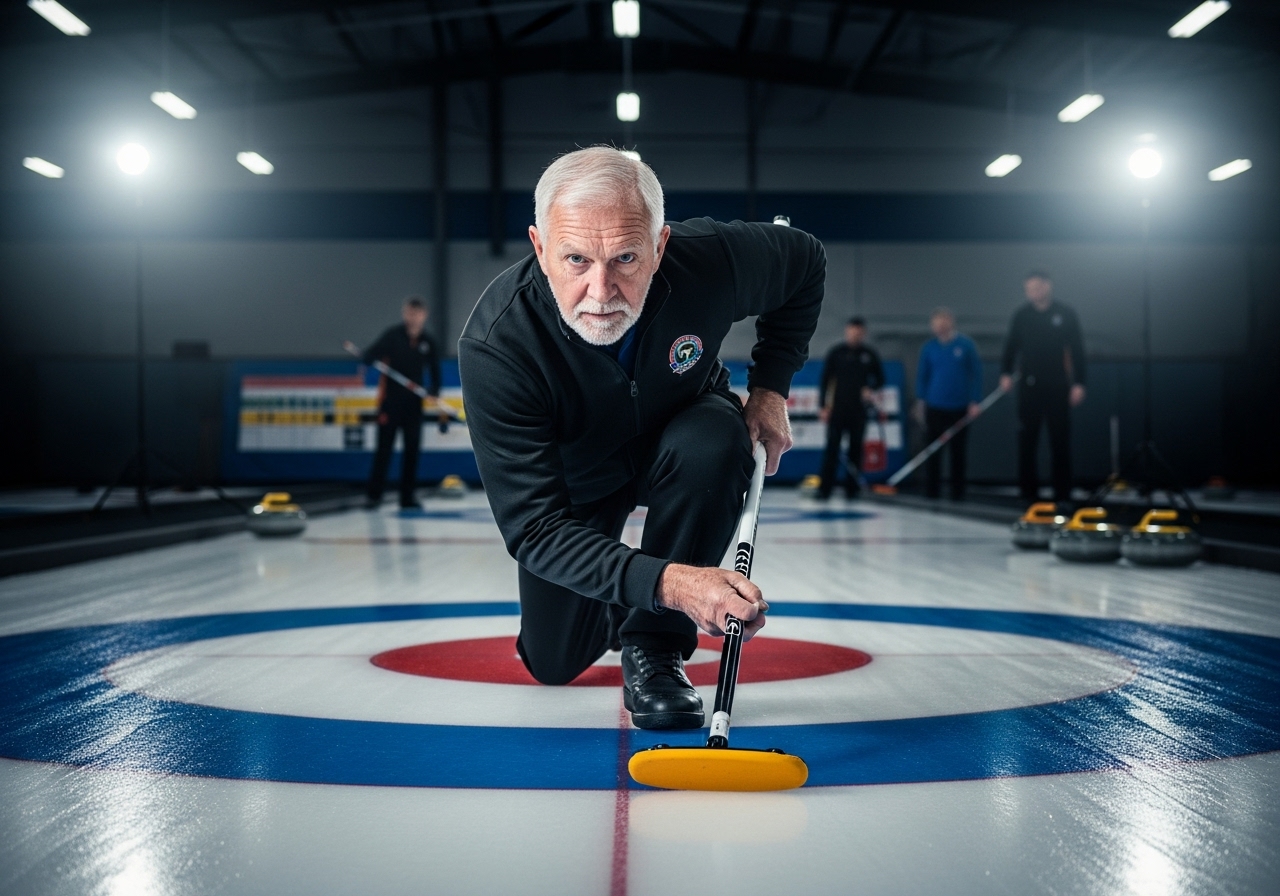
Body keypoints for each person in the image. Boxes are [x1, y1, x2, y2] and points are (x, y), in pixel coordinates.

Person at [458, 147, 824, 730]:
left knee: (715, 441)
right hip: (579, 482)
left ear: (660, 246)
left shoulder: (711, 260)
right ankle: (628, 595)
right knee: (553, 663)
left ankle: (653, 646)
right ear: (540, 248)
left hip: (683, 434)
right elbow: (534, 528)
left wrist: (771, 388)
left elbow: (804, 262)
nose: (601, 291)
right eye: (576, 259)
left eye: (626, 258)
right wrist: (672, 582)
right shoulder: (498, 345)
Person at [999, 272, 1087, 503]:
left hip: (1058, 386)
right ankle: (1028, 493)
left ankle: (1062, 493)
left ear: (1048, 286)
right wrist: (1005, 373)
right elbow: (1010, 346)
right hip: (1029, 387)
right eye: (1029, 288)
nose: (1033, 292)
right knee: (1027, 441)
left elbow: (1078, 349)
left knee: (1060, 441)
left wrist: (1079, 383)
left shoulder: (1065, 314)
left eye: (1037, 287)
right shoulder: (1022, 316)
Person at [362, 297, 446, 509]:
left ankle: (407, 498)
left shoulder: (428, 341)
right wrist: (368, 358)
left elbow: (435, 372)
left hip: (413, 405)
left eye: (417, 313)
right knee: (384, 450)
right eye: (410, 313)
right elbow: (371, 354)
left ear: (424, 315)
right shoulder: (392, 336)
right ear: (404, 313)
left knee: (412, 452)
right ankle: (374, 496)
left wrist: (434, 391)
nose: (413, 317)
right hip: (390, 404)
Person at [915, 307, 983, 500]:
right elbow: (922, 376)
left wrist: (974, 401)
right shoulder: (929, 348)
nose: (940, 327)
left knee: (958, 452)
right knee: (933, 451)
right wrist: (921, 402)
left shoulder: (966, 345)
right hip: (935, 406)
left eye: (943, 322)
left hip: (959, 406)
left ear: (950, 322)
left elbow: (976, 375)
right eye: (936, 324)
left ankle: (957, 493)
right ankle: (932, 492)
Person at [817, 317, 883, 499]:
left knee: (856, 449)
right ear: (847, 331)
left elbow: (880, 379)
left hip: (858, 411)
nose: (855, 335)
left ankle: (852, 490)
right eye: (852, 331)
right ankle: (825, 490)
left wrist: (871, 389)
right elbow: (825, 381)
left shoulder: (869, 355)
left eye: (859, 332)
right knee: (832, 448)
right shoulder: (837, 353)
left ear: (863, 333)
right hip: (837, 409)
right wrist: (823, 406)